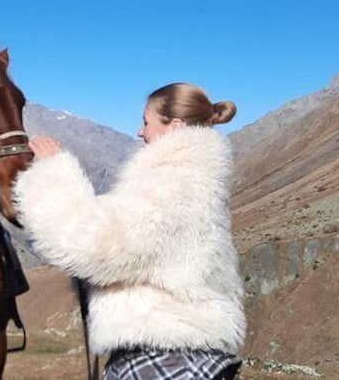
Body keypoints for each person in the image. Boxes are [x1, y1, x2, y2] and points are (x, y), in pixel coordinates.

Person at [13, 83, 245, 380]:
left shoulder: (173, 187)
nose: (139, 132)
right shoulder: (197, 181)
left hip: (165, 358)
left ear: (174, 126)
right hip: (188, 354)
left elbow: (91, 245)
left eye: (146, 122)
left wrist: (52, 172)